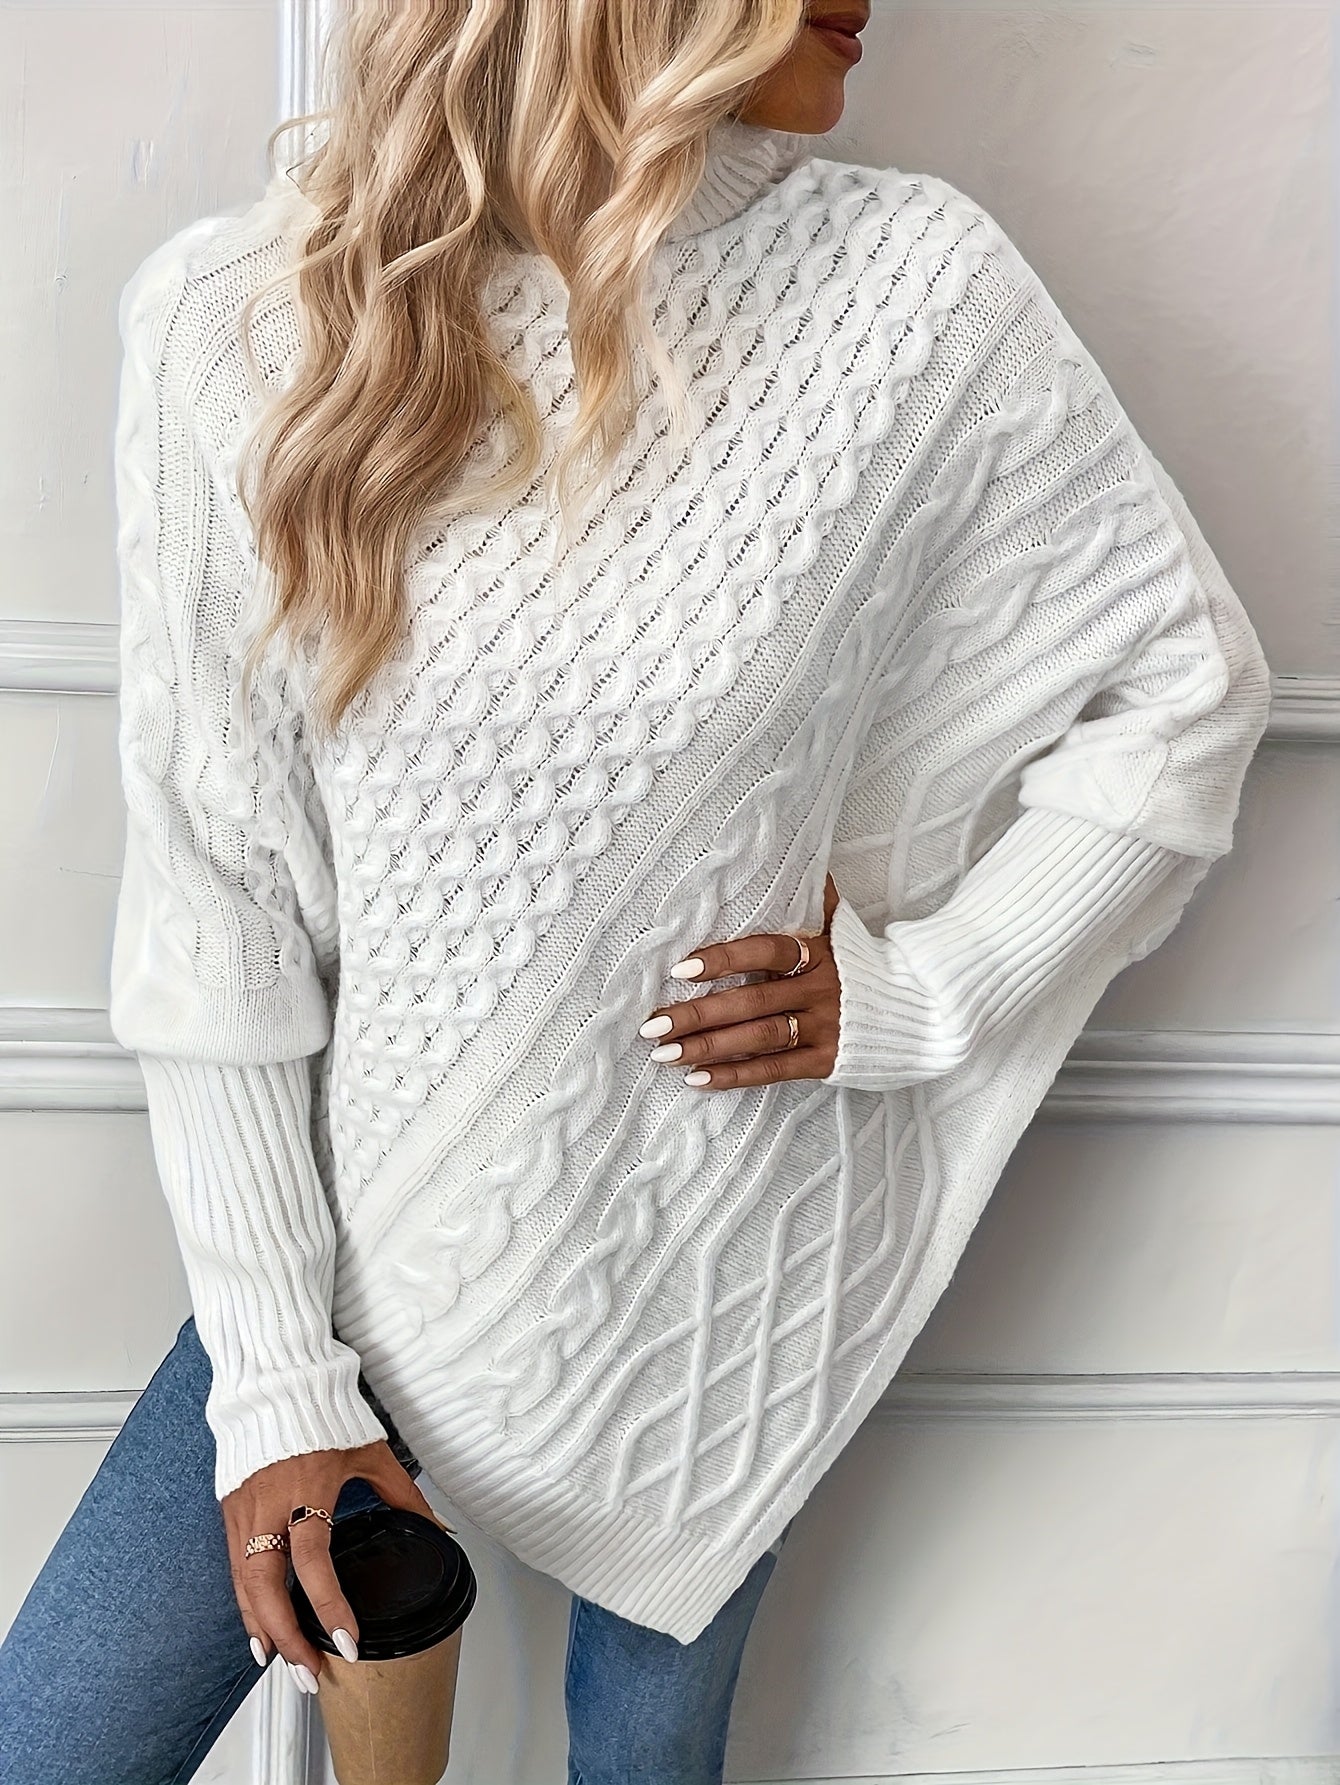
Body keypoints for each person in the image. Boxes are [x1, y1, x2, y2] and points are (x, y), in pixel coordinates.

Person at [0, 2, 1271, 1782]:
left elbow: (1188, 683)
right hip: (362, 1259)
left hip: (729, 1260)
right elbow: (220, 919)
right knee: (56, 1739)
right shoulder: (244, 321)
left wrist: (935, 989)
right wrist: (277, 1376)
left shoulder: (920, 296)